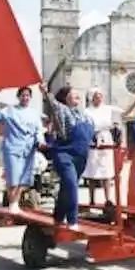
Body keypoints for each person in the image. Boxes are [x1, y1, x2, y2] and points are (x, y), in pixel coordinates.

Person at [0, 87, 43, 213]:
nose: (25, 98)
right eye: (23, 95)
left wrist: (40, 142)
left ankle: (15, 202)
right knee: (13, 178)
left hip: (28, 149)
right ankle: (13, 204)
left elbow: (39, 130)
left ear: (30, 97)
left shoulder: (34, 113)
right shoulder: (10, 110)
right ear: (18, 97)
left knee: (25, 180)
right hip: (12, 148)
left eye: (27, 95)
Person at [39, 83, 95, 231]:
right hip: (64, 154)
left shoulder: (86, 116)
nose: (77, 96)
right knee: (71, 185)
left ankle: (57, 216)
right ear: (66, 98)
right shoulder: (63, 110)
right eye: (73, 93)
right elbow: (53, 103)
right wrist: (46, 92)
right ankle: (72, 220)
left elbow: (90, 136)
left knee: (66, 189)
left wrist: (96, 140)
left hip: (81, 157)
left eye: (78, 94)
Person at [83, 88, 135, 206]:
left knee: (106, 172)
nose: (99, 98)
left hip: (106, 138)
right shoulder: (87, 111)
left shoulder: (108, 109)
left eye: (100, 96)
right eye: (96, 96)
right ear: (91, 97)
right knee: (92, 172)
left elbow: (124, 113)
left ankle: (108, 199)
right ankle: (91, 199)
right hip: (93, 139)